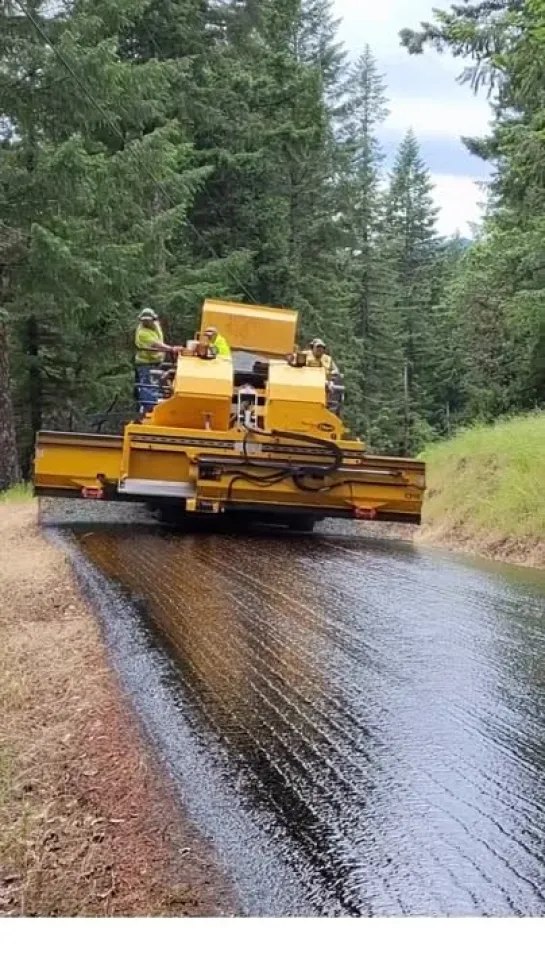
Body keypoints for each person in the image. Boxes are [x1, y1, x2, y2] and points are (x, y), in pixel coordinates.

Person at [134, 308, 180, 413]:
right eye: (143, 320)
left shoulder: (156, 326)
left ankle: (155, 407)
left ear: (154, 319)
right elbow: (155, 344)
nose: (145, 322)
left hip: (156, 362)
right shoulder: (142, 333)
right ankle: (148, 410)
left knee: (155, 386)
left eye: (148, 320)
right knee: (147, 387)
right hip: (146, 363)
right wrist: (171, 349)